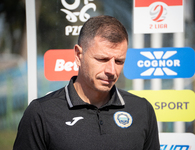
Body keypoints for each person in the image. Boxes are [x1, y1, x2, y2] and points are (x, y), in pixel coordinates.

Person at [13, 15, 160, 150]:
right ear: (78, 55)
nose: (112, 70)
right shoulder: (41, 113)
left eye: (119, 61)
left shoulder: (142, 110)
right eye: (102, 59)